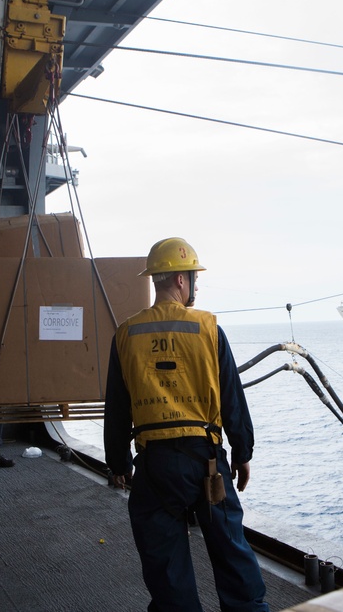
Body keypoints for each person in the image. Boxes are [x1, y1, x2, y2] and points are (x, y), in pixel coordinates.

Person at [104, 237, 269, 612]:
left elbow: (116, 408)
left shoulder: (126, 334)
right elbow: (232, 398)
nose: (196, 284)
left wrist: (119, 464)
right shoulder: (208, 328)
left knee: (167, 573)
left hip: (155, 464)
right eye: (194, 276)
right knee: (232, 554)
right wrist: (243, 453)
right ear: (181, 280)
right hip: (206, 463)